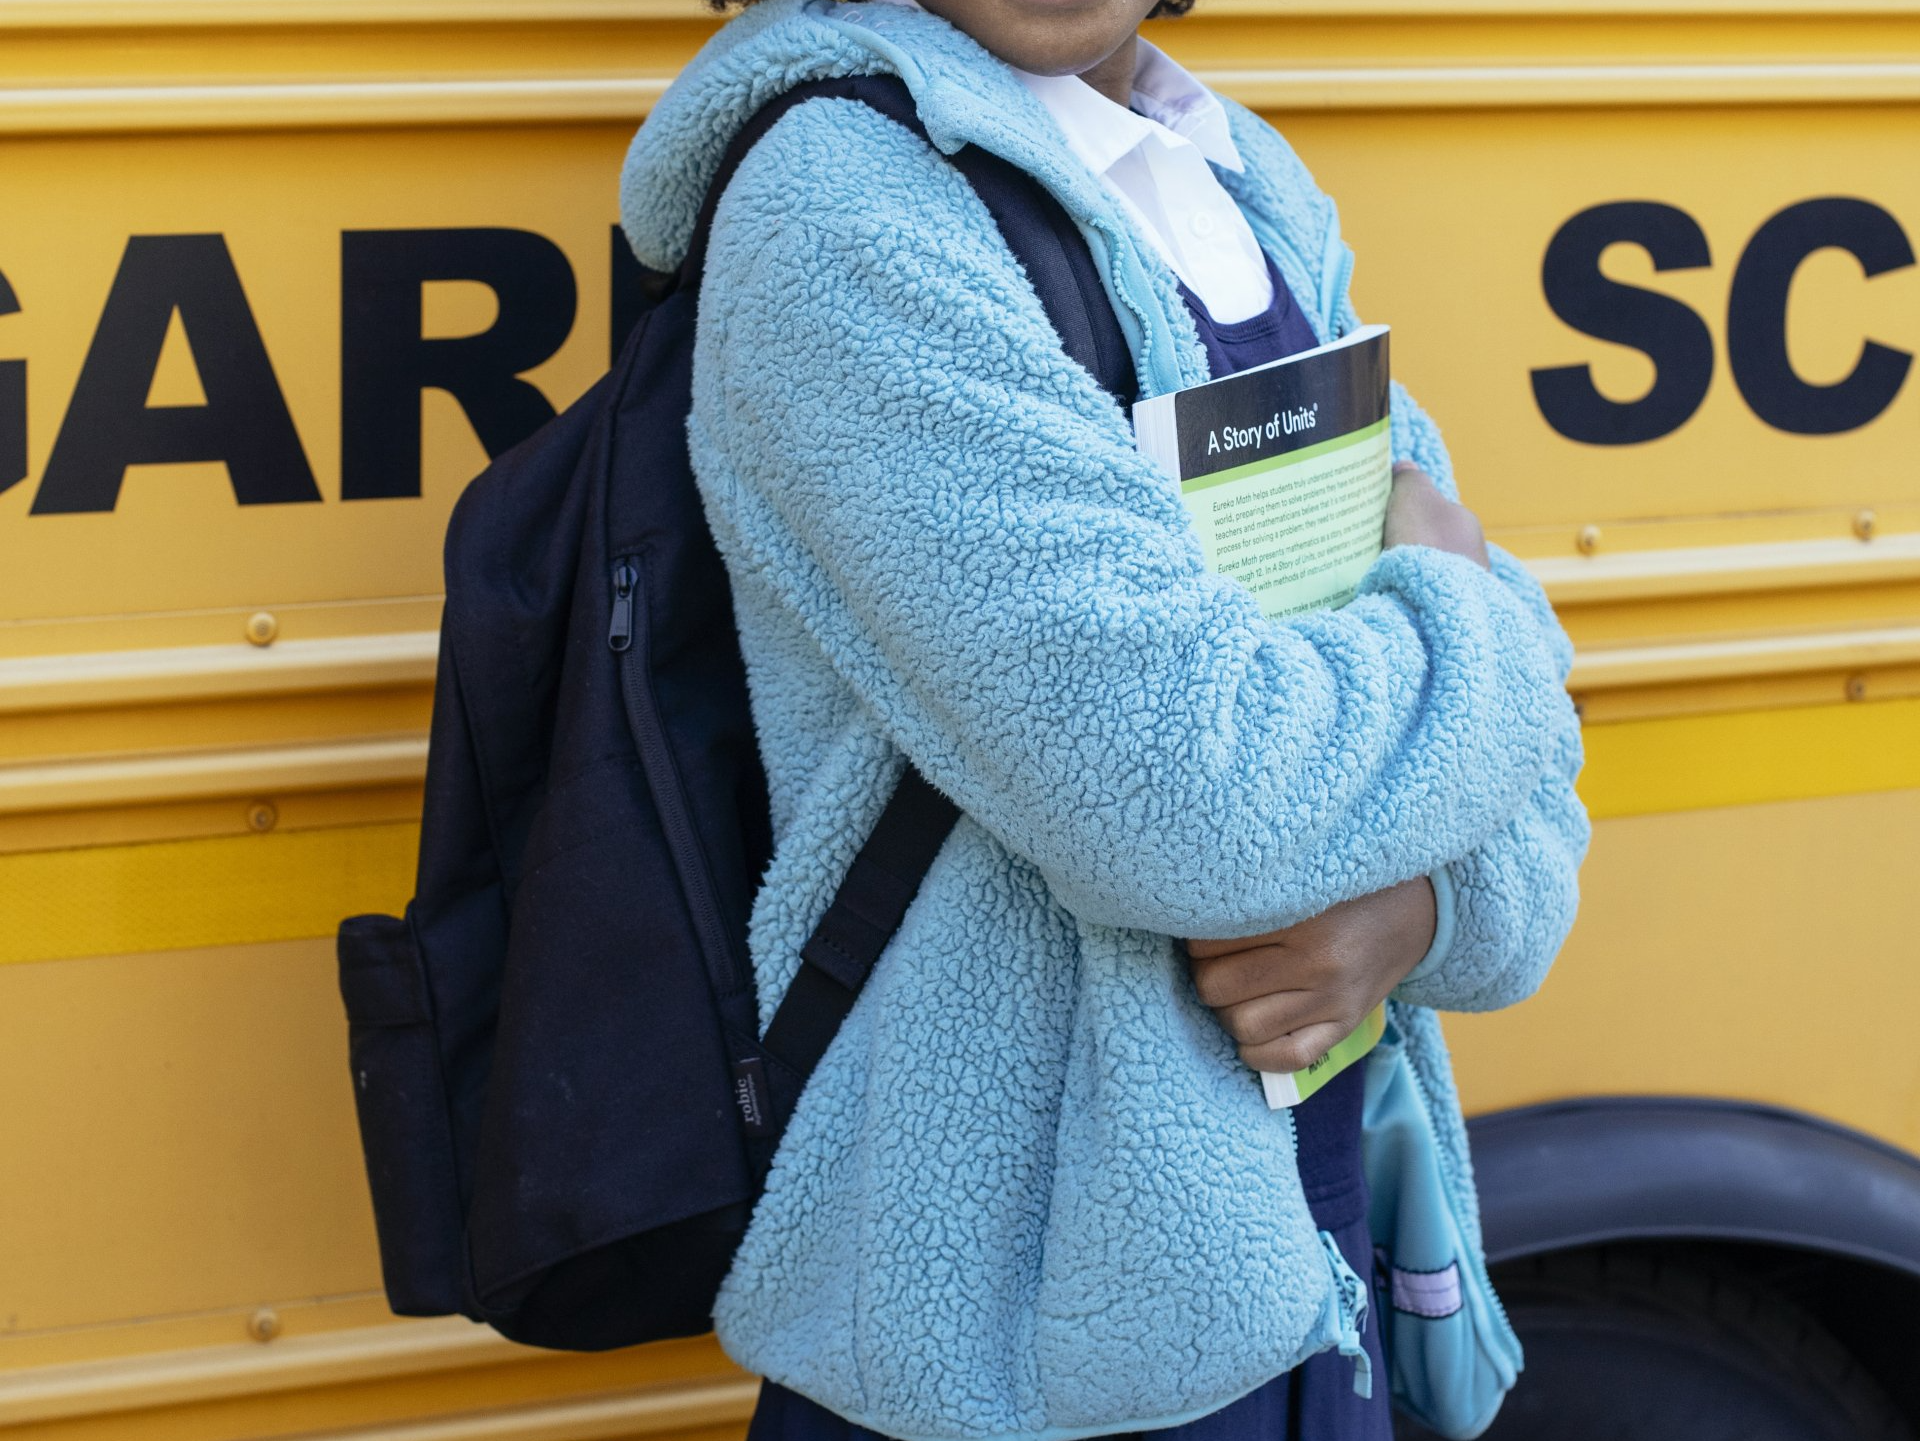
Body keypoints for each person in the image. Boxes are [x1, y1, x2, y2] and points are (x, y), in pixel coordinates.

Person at [618, 0, 1589, 1437]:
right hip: (1026, 1347)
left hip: (1304, 1255)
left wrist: (1427, 915)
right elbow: (1194, 794)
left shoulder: (1230, 170)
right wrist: (1480, 617)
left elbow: (1523, 772)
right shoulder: (844, 201)